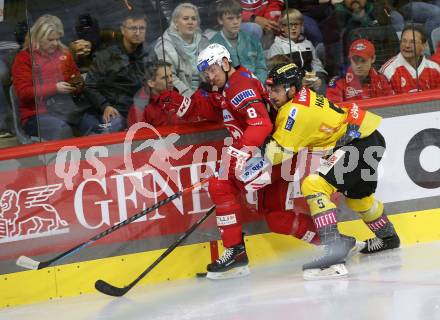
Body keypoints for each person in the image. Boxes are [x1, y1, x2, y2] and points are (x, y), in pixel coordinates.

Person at [158, 44, 323, 279]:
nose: (209, 76)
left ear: (225, 63)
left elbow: (261, 124)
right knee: (277, 218)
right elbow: (215, 109)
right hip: (270, 155)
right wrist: (183, 105)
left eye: (212, 70)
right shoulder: (225, 87)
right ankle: (331, 241)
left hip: (269, 153)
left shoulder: (240, 86)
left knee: (220, 185)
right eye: (205, 73)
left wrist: (240, 152)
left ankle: (235, 252)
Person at [264, 62, 400, 280]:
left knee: (313, 184)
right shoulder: (304, 95)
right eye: (269, 89)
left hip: (356, 145)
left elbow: (275, 154)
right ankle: (388, 238)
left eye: (276, 90)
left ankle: (333, 255)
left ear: (291, 89)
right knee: (359, 198)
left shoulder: (294, 111)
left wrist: (254, 149)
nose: (271, 95)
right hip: (369, 137)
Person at [11, 14, 90, 141]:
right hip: (36, 114)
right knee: (63, 129)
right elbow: (23, 93)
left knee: (97, 125)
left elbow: (76, 77)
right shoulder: (24, 58)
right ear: (38, 38)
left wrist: (76, 85)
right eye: (50, 39)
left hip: (66, 109)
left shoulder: (64, 54)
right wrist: (55, 88)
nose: (55, 43)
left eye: (58, 39)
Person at [82, 11, 149, 134]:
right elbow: (89, 86)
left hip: (142, 110)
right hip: (116, 111)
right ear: (123, 30)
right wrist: (105, 106)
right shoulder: (106, 56)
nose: (138, 32)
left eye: (142, 28)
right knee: (113, 126)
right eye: (133, 28)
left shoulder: (148, 55)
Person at [154, 3, 209, 97]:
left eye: (194, 19)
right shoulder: (164, 44)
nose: (190, 22)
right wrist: (192, 98)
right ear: (176, 22)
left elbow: (212, 70)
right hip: (179, 97)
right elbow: (170, 78)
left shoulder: (204, 41)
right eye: (185, 18)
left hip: (204, 94)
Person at [267, 8, 327, 94]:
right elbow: (277, 74)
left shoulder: (308, 44)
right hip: (290, 87)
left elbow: (316, 64)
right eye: (289, 25)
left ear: (301, 26)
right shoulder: (277, 46)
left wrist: (319, 78)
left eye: (296, 24)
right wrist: (299, 82)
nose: (293, 28)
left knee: (323, 85)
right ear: (282, 27)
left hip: (310, 84)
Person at [127, 60, 203, 127]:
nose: (170, 80)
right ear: (151, 83)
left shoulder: (177, 98)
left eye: (171, 76)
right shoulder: (139, 109)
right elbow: (139, 140)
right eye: (165, 78)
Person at [210, 0, 267, 83]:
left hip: (255, 87)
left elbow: (261, 68)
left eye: (238, 17)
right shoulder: (213, 45)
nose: (236, 22)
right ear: (220, 20)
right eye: (230, 18)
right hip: (230, 90)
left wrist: (256, 83)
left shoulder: (253, 41)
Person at [327, 38, 393, 102]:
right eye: (355, 60)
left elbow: (392, 106)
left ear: (373, 59)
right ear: (350, 59)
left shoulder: (382, 80)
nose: (358, 65)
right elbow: (333, 111)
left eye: (363, 61)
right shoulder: (338, 83)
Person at [380, 24, 440, 93]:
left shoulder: (435, 68)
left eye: (413, 42)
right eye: (404, 41)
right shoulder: (388, 71)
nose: (407, 45)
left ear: (424, 45)